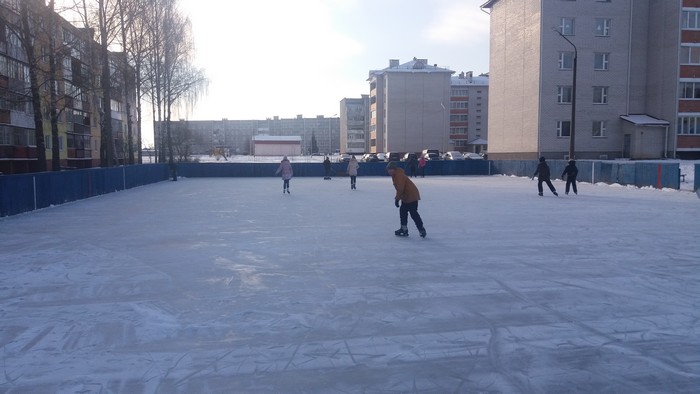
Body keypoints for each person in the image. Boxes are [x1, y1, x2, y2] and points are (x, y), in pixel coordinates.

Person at [386, 161, 426, 237]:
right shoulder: (395, 175)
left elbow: (400, 188)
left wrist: (397, 199)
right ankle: (404, 229)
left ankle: (421, 229)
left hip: (411, 196)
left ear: (394, 169)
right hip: (406, 196)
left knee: (413, 213)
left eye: (390, 169)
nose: (389, 171)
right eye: (388, 169)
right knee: (403, 211)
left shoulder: (398, 175)